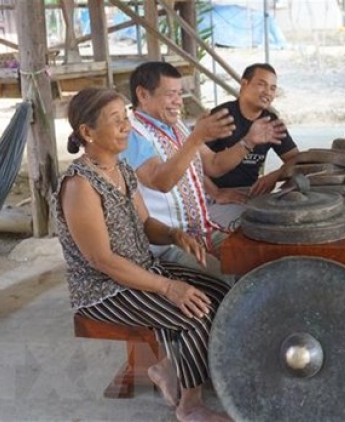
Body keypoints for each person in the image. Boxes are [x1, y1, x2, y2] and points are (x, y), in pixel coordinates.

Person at [56, 87, 231, 422]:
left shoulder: (121, 169)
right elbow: (102, 261)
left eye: (126, 118)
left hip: (139, 268)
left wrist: (175, 235)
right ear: (87, 132)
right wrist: (168, 287)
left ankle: (169, 368)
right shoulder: (80, 185)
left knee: (220, 292)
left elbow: (146, 222)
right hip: (103, 288)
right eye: (115, 120)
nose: (126, 127)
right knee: (193, 311)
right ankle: (190, 405)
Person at [120, 61, 284, 278]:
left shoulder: (176, 126)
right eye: (171, 94)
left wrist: (248, 142)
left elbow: (214, 166)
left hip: (202, 230)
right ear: (143, 94)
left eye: (180, 94)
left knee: (258, 260)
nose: (178, 102)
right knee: (229, 278)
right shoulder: (133, 133)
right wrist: (196, 138)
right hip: (168, 245)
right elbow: (160, 181)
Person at [204, 63, 299, 228]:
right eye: (261, 84)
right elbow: (189, 160)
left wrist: (276, 174)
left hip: (248, 194)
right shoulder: (222, 117)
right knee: (245, 232)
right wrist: (215, 192)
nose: (267, 92)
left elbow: (297, 159)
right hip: (214, 196)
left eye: (272, 88)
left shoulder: (272, 122)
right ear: (244, 84)